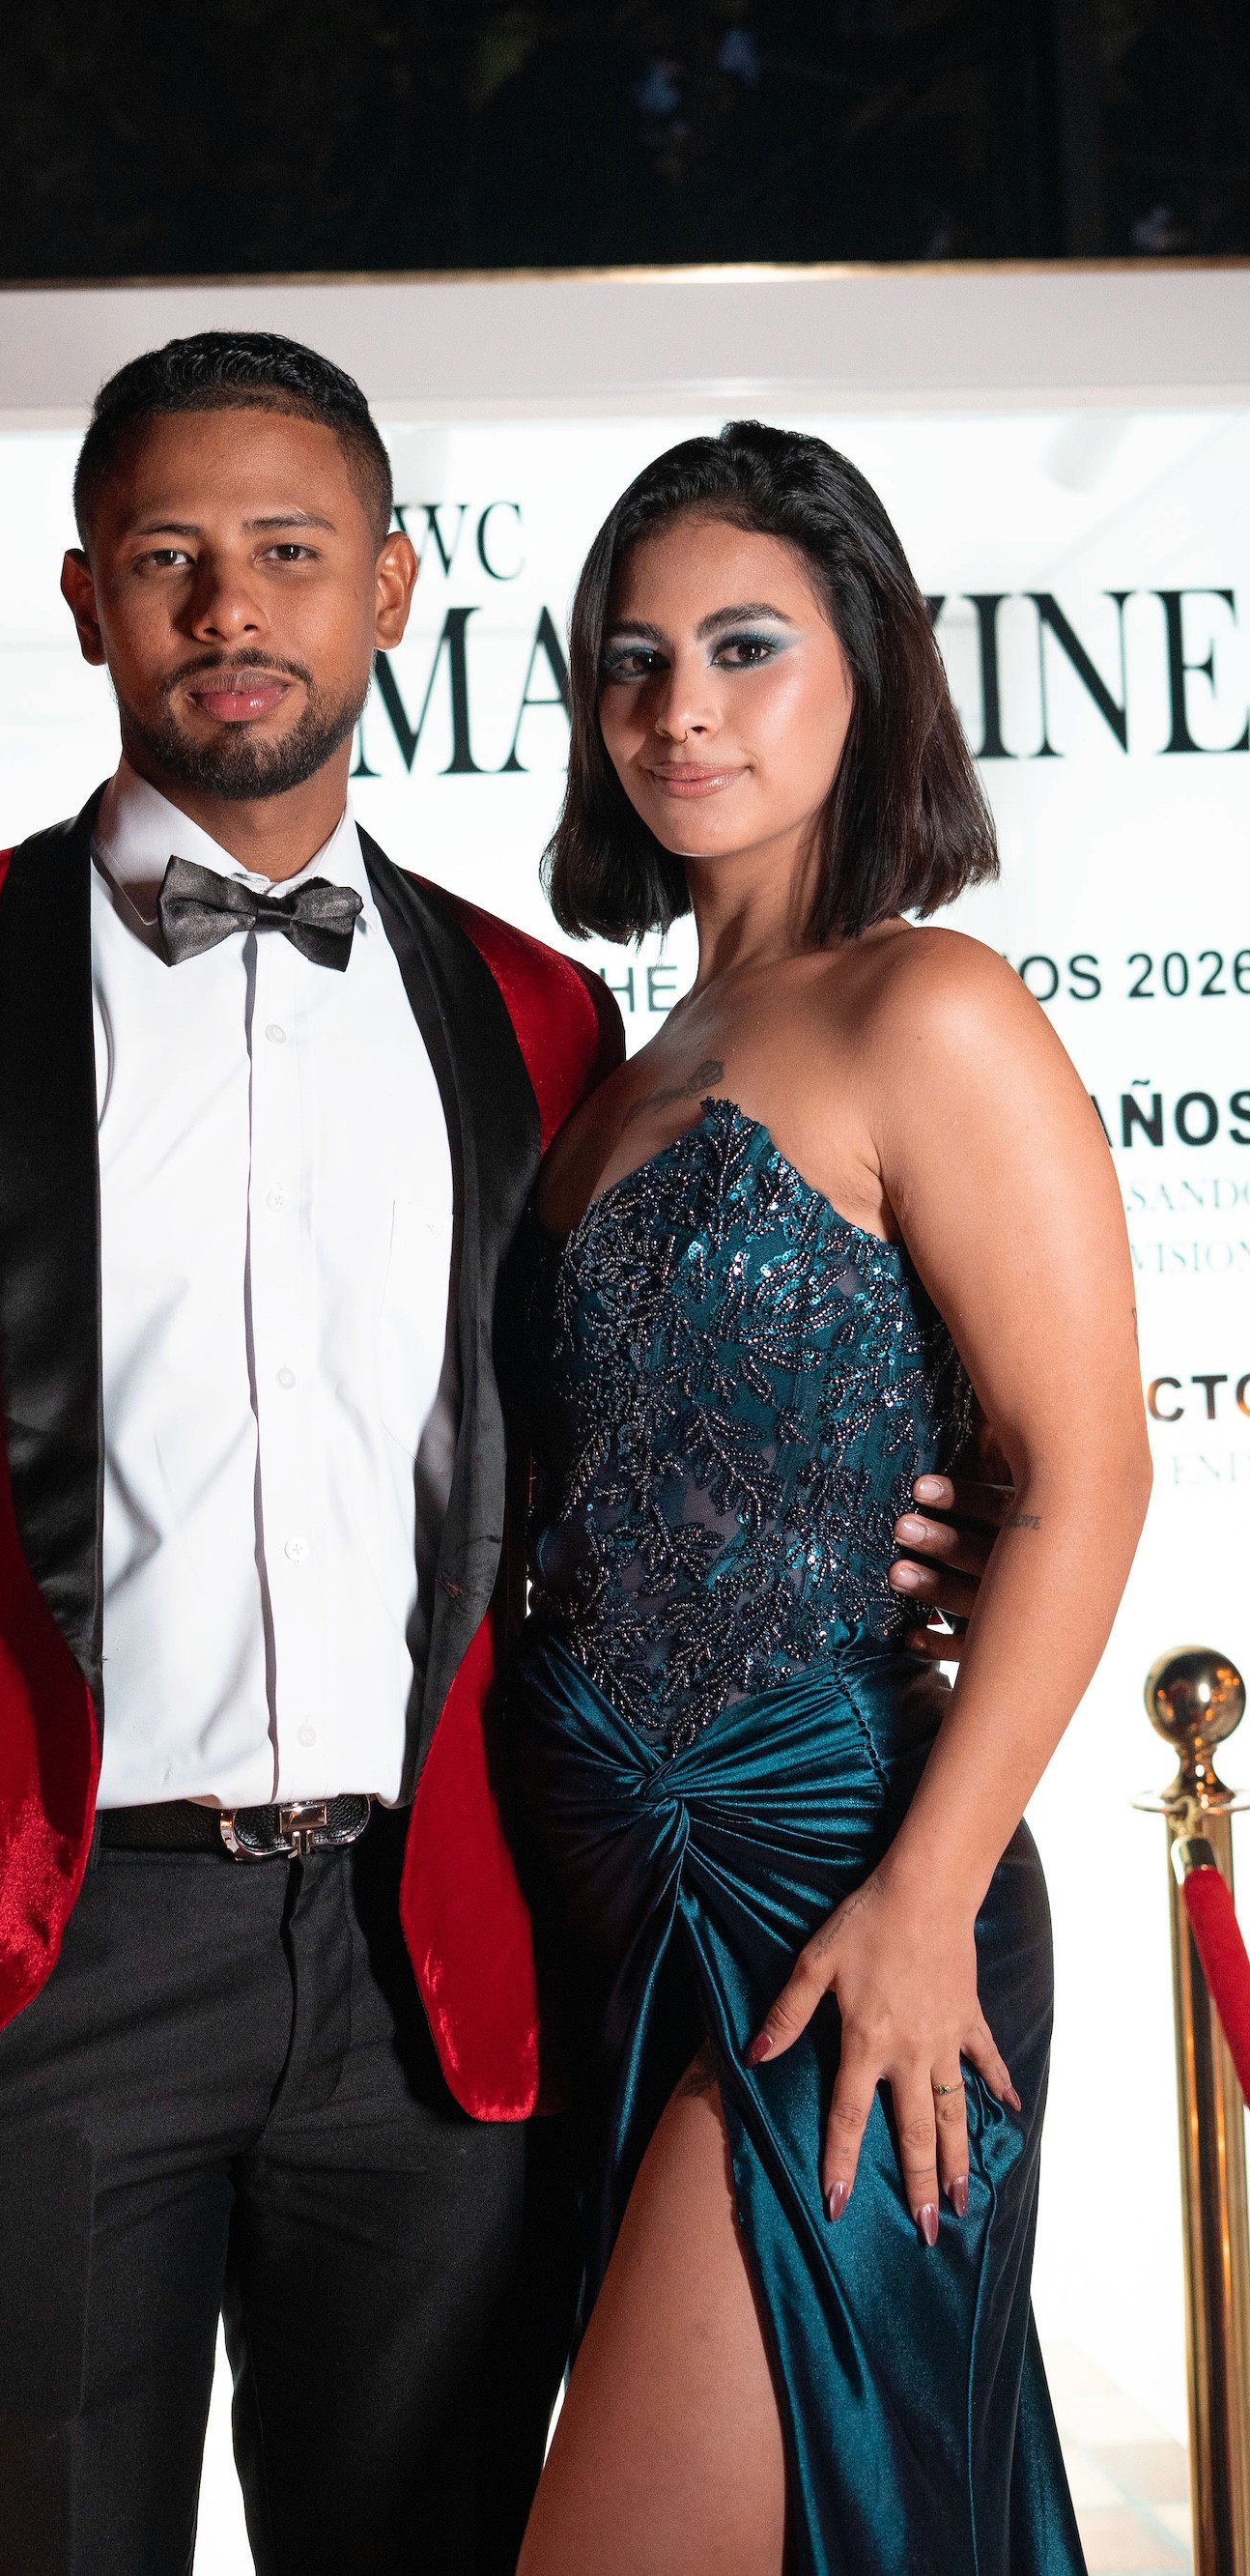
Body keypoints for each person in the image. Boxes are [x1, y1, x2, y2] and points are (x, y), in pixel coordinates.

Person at [0, 342, 995, 2576]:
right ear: (87, 598)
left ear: (390, 589)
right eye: (168, 555)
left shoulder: (537, 1015)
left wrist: (899, 1530)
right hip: (34, 1960)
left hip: (432, 1960)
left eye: (287, 549)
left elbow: (645, 1425)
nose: (230, 606)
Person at [507, 422, 1150, 2576]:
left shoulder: (925, 1006)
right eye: (633, 660)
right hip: (612, 1907)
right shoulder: (624, 1066)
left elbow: (1087, 1470)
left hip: (845, 1892)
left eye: (745, 646)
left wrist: (923, 1904)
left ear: (867, 666)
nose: (679, 708)